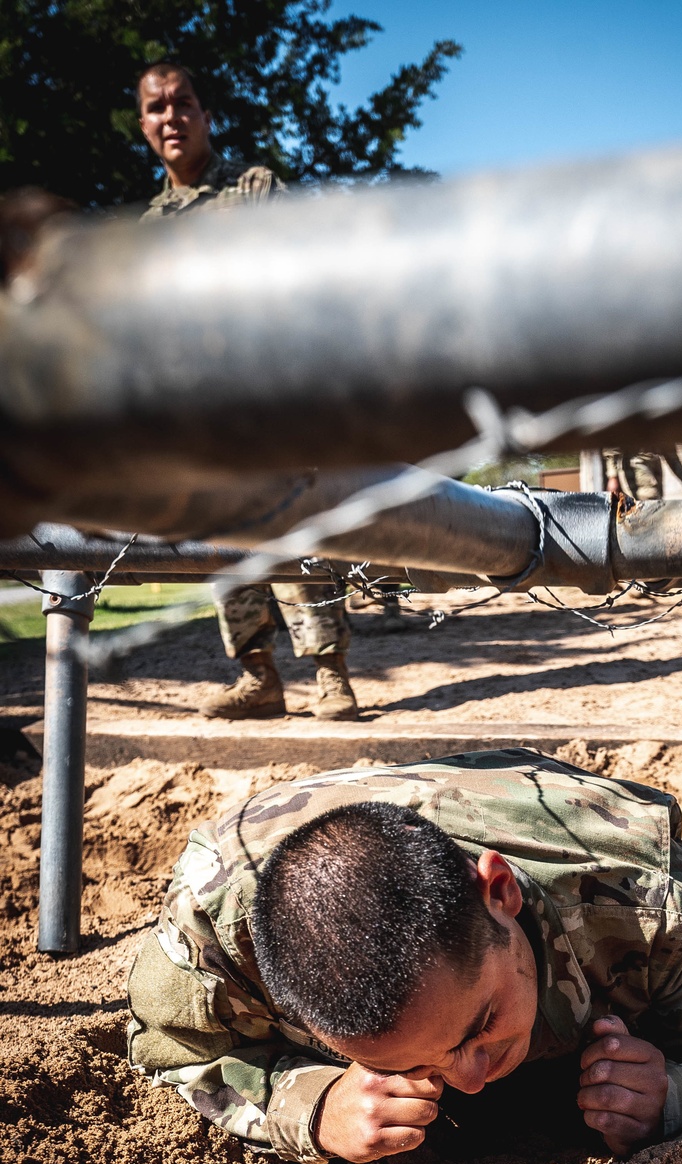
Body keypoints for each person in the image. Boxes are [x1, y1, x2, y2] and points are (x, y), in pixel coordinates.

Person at [127, 750, 682, 1164]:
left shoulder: (645, 903)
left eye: (480, 1026)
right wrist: (310, 1107)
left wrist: (679, 1093)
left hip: (613, 887)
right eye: (423, 1067)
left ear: (499, 894)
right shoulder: (214, 930)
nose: (470, 1078)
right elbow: (167, 1049)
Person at [137, 60, 358, 720]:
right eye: (157, 107)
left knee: (299, 528)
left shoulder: (255, 187)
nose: (171, 116)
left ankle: (330, 673)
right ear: (143, 125)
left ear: (206, 115)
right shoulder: (146, 228)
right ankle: (258, 676)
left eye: (184, 102)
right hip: (201, 411)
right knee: (226, 539)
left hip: (270, 395)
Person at [601, 447, 682, 503]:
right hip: (636, 463)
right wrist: (612, 475)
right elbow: (612, 446)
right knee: (648, 505)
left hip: (654, 462)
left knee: (654, 506)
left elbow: (670, 454)